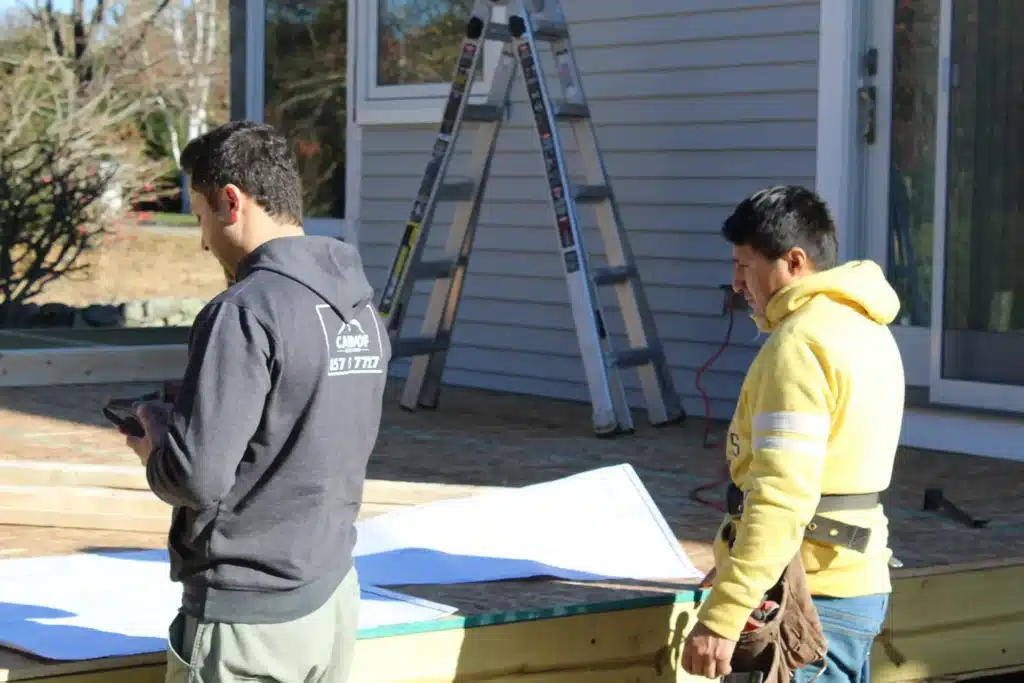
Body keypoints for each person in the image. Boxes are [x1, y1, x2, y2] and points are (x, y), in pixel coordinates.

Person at [124, 120, 390, 683]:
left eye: (199, 217)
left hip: (250, 620)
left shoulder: (244, 311)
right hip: (330, 598)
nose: (202, 240)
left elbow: (195, 478)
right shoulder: (358, 307)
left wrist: (155, 445)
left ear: (230, 201)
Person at [681, 186, 904, 683]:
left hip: (810, 596)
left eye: (745, 266)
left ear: (795, 261)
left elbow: (781, 496)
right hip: (850, 584)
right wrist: (745, 566)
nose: (737, 284)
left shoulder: (800, 344)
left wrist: (726, 611)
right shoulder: (865, 327)